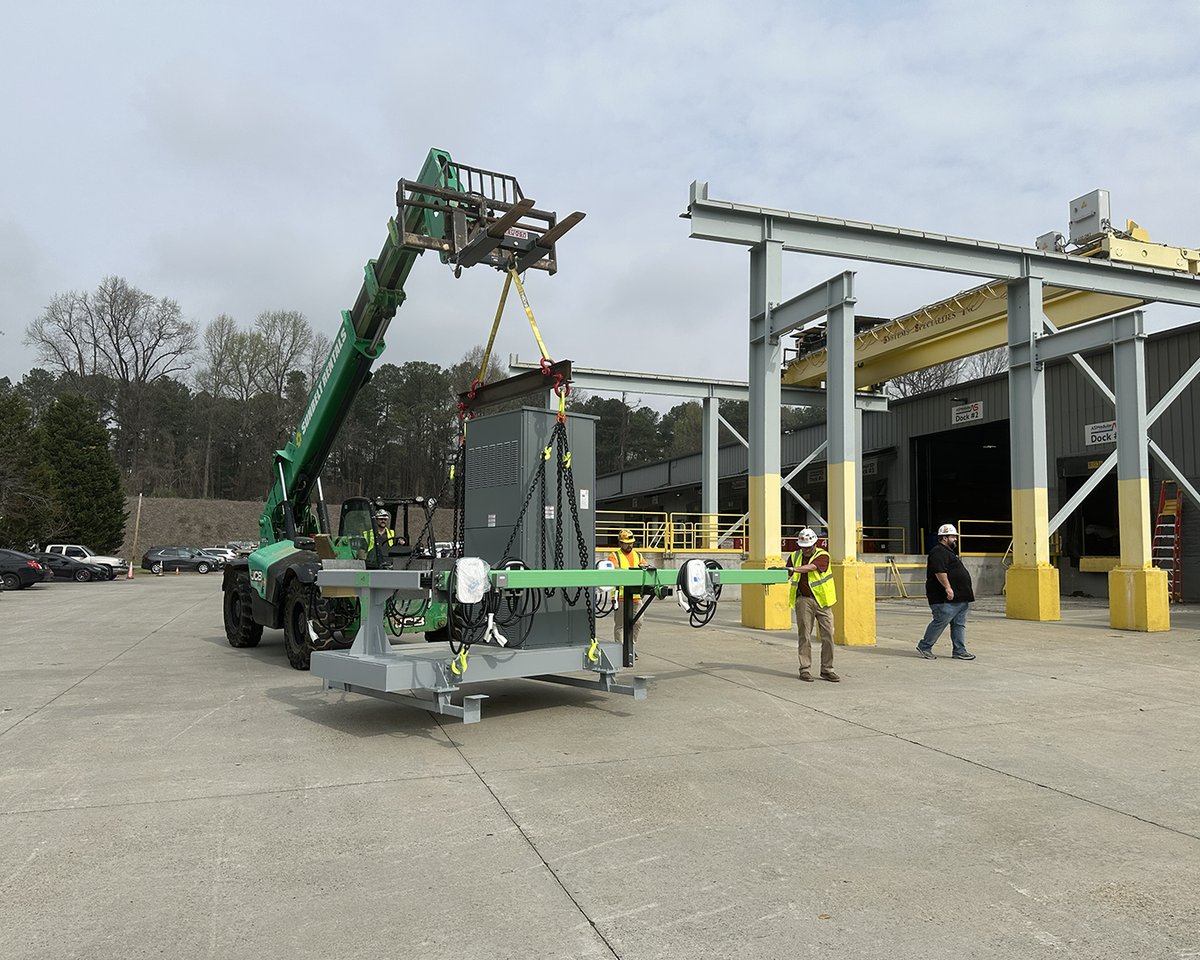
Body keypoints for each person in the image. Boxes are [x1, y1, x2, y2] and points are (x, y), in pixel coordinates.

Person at [917, 523, 976, 661]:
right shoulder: (938, 551)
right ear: (944, 537)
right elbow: (939, 571)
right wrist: (948, 588)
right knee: (940, 622)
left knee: (959, 624)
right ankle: (925, 646)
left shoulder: (948, 552)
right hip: (945, 598)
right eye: (953, 537)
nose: (955, 539)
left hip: (960, 598)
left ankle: (959, 651)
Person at [786, 528, 839, 682]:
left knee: (828, 635)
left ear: (815, 544)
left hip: (823, 601)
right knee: (804, 635)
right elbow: (787, 573)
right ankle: (805, 669)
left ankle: (827, 669)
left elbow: (813, 567)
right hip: (803, 600)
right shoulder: (794, 556)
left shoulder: (823, 555)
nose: (806, 550)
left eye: (808, 547)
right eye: (803, 547)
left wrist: (794, 569)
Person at [607, 528, 647, 655]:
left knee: (638, 622)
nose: (629, 545)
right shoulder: (614, 556)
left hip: (636, 596)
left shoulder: (638, 555)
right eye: (626, 543)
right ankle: (620, 650)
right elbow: (614, 571)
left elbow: (645, 568)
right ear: (620, 543)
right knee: (620, 625)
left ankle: (631, 647)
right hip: (620, 596)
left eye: (631, 543)